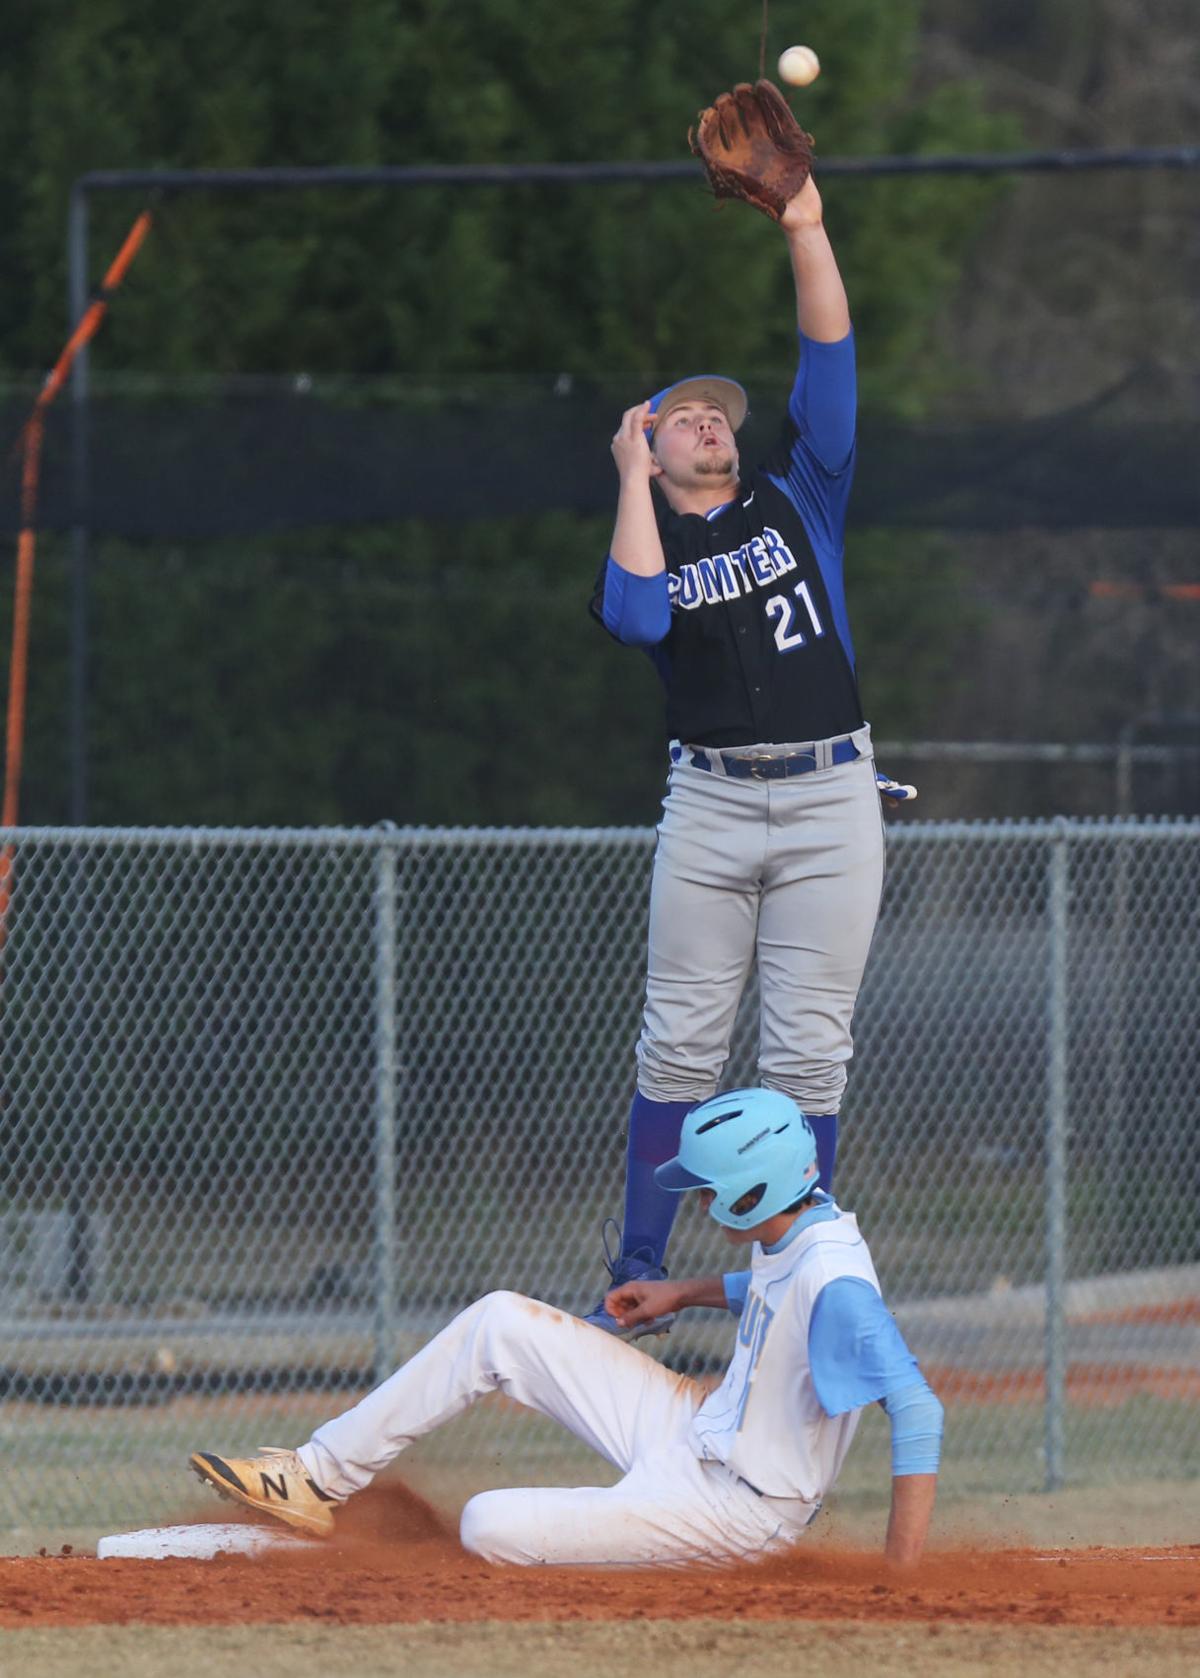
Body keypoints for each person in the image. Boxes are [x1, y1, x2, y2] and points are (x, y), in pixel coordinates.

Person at [585, 161, 912, 1337]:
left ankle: (799, 1261)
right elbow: (632, 619)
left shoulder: (799, 499)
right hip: (713, 804)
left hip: (830, 794)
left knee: (807, 1053)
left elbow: (830, 372)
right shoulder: (654, 540)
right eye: (680, 414)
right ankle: (635, 1267)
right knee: (680, 1037)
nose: (708, 416)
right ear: (654, 452)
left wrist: (808, 226)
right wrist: (630, 475)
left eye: (715, 408)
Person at [190, 1089, 942, 1570]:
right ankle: (315, 1476)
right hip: (695, 1427)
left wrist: (899, 1583)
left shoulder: (838, 1282)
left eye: (710, 1188)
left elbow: (916, 1409)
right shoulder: (802, 1225)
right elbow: (776, 1292)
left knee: (489, 1525)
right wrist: (679, 1292)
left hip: (739, 1510)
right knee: (498, 1323)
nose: (703, 1199)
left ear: (753, 1191)